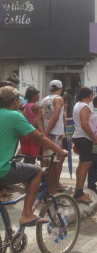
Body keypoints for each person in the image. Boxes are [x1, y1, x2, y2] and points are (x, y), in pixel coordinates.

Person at [0, 86, 68, 225]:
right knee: (36, 171)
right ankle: (27, 214)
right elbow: (39, 138)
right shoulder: (15, 116)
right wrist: (60, 151)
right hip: (3, 169)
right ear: (15, 100)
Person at [38, 80, 66, 195]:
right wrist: (48, 133)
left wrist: (43, 133)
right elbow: (55, 117)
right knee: (54, 163)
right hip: (55, 134)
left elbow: (39, 117)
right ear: (61, 88)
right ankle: (51, 188)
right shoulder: (59, 99)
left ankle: (48, 186)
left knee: (45, 162)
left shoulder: (44, 99)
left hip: (46, 133)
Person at [72, 86, 97, 204]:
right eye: (92, 94)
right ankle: (78, 192)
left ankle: (78, 190)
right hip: (84, 137)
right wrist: (93, 137)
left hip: (81, 137)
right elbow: (85, 124)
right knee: (86, 164)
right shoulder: (84, 106)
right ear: (89, 95)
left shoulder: (78, 105)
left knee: (82, 164)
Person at [20, 87, 41, 164]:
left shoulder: (24, 106)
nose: (38, 96)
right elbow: (40, 120)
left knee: (27, 156)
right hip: (34, 132)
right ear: (33, 96)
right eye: (37, 94)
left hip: (26, 133)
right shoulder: (35, 107)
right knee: (33, 156)